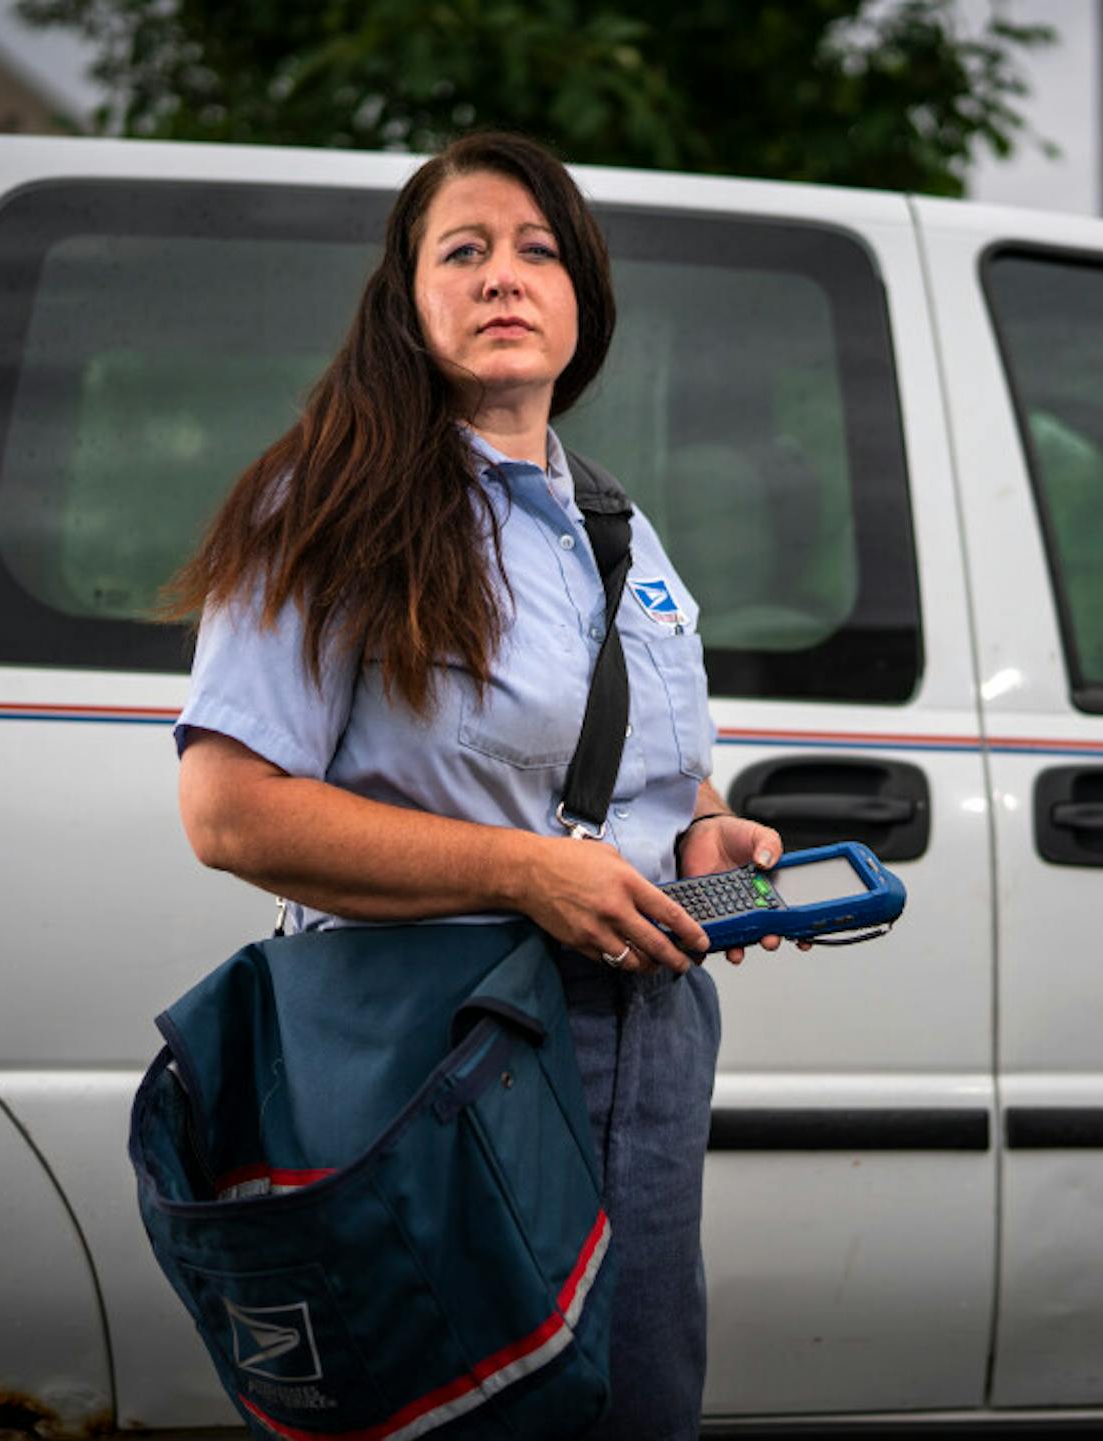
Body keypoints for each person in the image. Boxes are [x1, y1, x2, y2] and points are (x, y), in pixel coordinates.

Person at [167, 131, 789, 1440]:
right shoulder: (321, 504)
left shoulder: (617, 523)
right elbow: (229, 810)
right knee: (472, 1412)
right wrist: (521, 868)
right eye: (464, 250)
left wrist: (706, 826)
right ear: (409, 298)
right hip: (442, 1054)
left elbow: (627, 768)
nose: (504, 275)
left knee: (635, 1407)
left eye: (538, 249)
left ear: (585, 300)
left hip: (641, 1042)